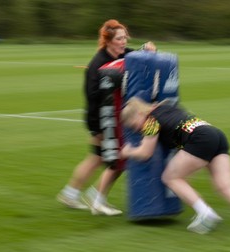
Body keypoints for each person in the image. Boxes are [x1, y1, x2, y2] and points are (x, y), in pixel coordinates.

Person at [119, 97, 230, 237]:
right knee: (226, 186)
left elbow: (145, 153)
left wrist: (128, 151)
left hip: (200, 139)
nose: (136, 129)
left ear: (139, 113)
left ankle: (205, 213)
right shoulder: (167, 107)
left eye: (134, 124)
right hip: (215, 134)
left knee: (170, 177)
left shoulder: (150, 121)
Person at [57, 19, 156, 215]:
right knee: (117, 159)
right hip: (100, 119)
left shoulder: (123, 53)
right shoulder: (97, 64)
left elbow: (136, 54)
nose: (124, 41)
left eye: (125, 37)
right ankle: (94, 197)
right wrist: (99, 129)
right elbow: (92, 98)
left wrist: (147, 47)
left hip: (112, 117)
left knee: (99, 158)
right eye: (119, 38)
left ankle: (72, 194)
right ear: (108, 41)